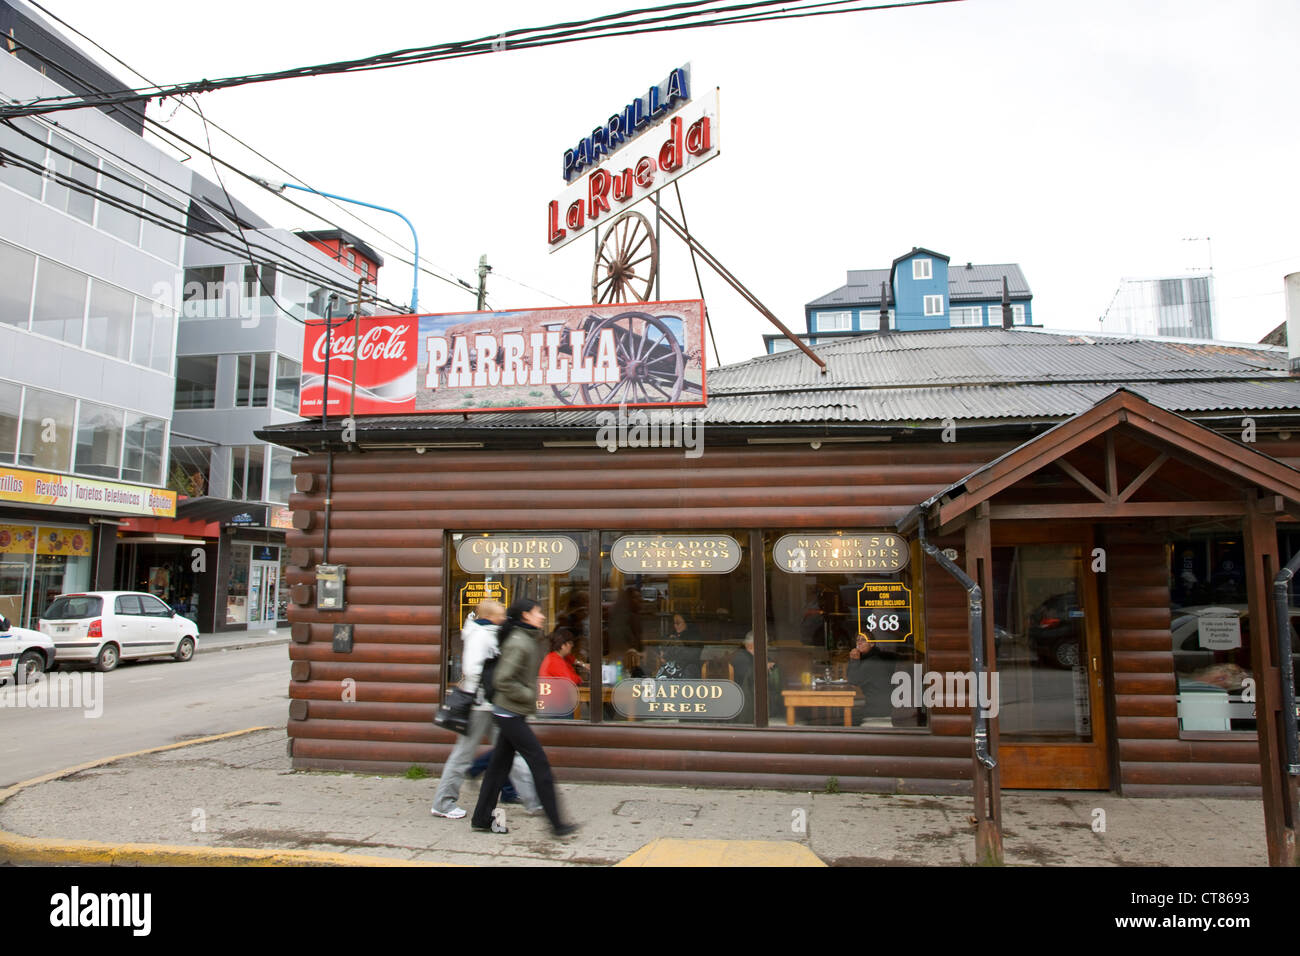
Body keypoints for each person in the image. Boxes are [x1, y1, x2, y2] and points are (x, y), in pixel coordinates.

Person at [471, 598, 579, 837]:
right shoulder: (520, 642)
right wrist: (530, 694)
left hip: (510, 711)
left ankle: (481, 818)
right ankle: (557, 824)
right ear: (525, 616)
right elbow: (502, 680)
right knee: (539, 763)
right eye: (537, 612)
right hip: (509, 713)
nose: (541, 616)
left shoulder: (528, 638)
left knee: (498, 768)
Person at [431, 600, 540, 820]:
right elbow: (472, 669)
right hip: (480, 705)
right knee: (464, 755)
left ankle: (533, 801)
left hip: (490, 703)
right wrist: (492, 683)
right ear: (491, 616)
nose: (504, 618)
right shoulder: (480, 635)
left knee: (510, 751)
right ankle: (443, 803)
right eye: (500, 614)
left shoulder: (488, 631)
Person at [847, 634, 895, 723]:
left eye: (863, 640)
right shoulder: (869, 658)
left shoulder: (872, 661)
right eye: (858, 640)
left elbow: (853, 680)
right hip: (878, 706)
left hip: (877, 710)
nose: (859, 643)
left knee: (847, 715)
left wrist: (854, 660)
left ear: (872, 644)